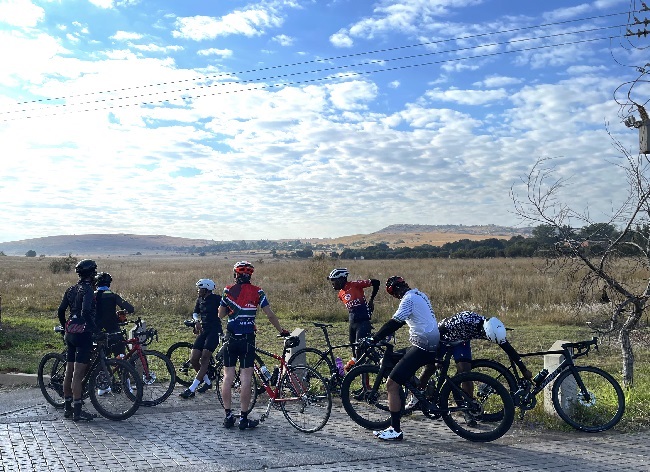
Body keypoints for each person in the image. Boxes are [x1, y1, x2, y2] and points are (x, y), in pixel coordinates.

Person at [405, 311, 533, 410]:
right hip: (442, 337)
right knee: (430, 367)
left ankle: (468, 404)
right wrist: (438, 358)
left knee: (465, 372)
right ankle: (416, 396)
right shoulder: (463, 322)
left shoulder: (493, 327)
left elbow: (508, 349)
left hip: (462, 340)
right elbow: (437, 333)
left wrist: (524, 369)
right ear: (483, 332)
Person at [366, 276, 440, 441]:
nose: (397, 296)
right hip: (431, 343)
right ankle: (416, 392)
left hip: (423, 346)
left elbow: (395, 322)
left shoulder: (408, 299)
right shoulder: (420, 295)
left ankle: (395, 429)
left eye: (394, 294)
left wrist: (374, 338)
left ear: (395, 293)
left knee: (391, 384)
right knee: (399, 357)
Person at [218, 261, 289, 430]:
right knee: (246, 378)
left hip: (230, 338)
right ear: (250, 275)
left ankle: (228, 416)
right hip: (248, 339)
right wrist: (281, 330)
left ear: (236, 275)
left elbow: (220, 315)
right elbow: (270, 314)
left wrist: (231, 310)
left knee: (228, 377)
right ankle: (243, 418)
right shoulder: (258, 291)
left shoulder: (228, 290)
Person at [56, 259, 99, 422]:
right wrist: (95, 329)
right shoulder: (87, 290)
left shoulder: (71, 289)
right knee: (78, 374)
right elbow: (86, 311)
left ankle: (68, 408)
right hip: (83, 334)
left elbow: (61, 311)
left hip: (70, 333)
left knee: (69, 371)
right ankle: (78, 410)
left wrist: (65, 326)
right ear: (92, 274)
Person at [327, 268, 380, 370]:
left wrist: (371, 300)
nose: (332, 283)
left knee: (361, 355)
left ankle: (366, 384)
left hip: (363, 323)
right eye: (331, 281)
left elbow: (376, 282)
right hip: (352, 323)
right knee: (355, 355)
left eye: (334, 280)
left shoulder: (354, 285)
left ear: (342, 279)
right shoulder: (340, 294)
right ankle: (346, 369)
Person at [180, 278, 223, 398]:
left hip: (214, 331)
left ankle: (191, 388)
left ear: (207, 289)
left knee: (204, 358)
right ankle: (208, 382)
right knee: (194, 359)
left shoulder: (217, 299)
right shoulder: (200, 299)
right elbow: (195, 313)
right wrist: (196, 321)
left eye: (200, 289)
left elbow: (227, 310)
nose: (198, 291)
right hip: (203, 331)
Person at [94, 272, 135, 357]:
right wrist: (123, 312)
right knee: (120, 355)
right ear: (109, 284)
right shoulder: (113, 295)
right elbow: (131, 309)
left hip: (98, 332)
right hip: (114, 331)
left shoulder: (92, 296)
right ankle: (121, 367)